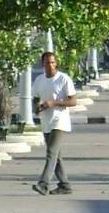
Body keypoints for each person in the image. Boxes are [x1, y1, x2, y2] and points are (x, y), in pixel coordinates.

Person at [31, 51, 76, 196]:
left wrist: (53, 103)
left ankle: (43, 184)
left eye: (52, 62)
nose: (50, 65)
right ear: (42, 64)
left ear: (56, 63)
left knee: (51, 152)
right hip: (46, 121)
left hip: (59, 121)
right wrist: (36, 108)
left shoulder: (63, 79)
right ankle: (65, 185)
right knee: (56, 156)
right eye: (46, 63)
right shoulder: (39, 80)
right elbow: (35, 98)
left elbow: (73, 101)